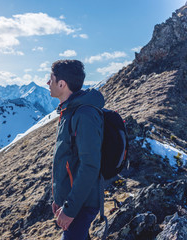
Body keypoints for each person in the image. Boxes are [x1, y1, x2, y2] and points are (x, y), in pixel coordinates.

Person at [48, 60, 104, 240]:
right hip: (73, 199)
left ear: (62, 84)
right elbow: (65, 159)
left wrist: (70, 209)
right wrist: (59, 198)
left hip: (83, 202)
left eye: (51, 79)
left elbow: (90, 166)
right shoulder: (68, 112)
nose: (47, 83)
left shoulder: (83, 115)